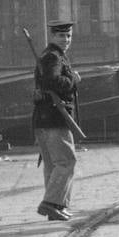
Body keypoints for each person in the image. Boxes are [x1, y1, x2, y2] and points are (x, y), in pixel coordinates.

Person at [33, 21, 81, 222]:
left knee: (53, 166)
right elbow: (52, 81)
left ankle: (58, 206)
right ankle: (51, 203)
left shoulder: (52, 56)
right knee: (67, 161)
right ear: (52, 37)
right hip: (55, 118)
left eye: (68, 36)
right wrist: (73, 81)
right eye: (61, 36)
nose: (66, 40)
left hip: (44, 118)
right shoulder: (53, 57)